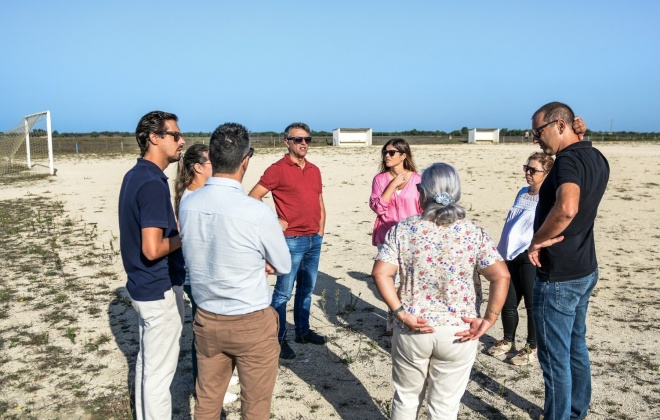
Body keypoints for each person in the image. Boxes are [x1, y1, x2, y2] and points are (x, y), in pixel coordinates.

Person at [372, 163, 510, 419]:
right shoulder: (473, 232)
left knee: (406, 398)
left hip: (413, 326)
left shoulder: (403, 229)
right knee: (444, 406)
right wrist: (489, 319)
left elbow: (381, 273)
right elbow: (501, 275)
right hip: (459, 330)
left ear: (422, 192)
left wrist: (401, 313)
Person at [179, 122, 291, 419]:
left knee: (206, 400)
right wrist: (260, 262)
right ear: (245, 160)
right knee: (255, 405)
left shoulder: (188, 204)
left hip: (206, 317)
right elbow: (283, 264)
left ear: (212, 159)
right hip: (250, 318)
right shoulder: (255, 211)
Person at [529, 102, 609, 420]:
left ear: (560, 126)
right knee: (576, 345)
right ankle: (576, 412)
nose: (535, 138)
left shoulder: (567, 162)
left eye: (539, 131)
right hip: (584, 267)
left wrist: (537, 240)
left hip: (559, 275)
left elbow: (567, 208)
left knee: (555, 359)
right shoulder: (595, 156)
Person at [118, 110, 186, 420]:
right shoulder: (152, 184)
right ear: (154, 138)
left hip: (141, 286)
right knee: (160, 376)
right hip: (157, 288)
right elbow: (152, 248)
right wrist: (185, 238)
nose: (181, 141)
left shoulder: (136, 174)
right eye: (174, 135)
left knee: (148, 364)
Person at [249, 122, 326, 360]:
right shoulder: (277, 169)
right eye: (298, 139)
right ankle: (278, 339)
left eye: (307, 140)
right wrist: (275, 220)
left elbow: (319, 200)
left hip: (314, 239)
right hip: (291, 241)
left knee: (306, 290)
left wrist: (321, 231)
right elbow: (253, 197)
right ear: (287, 142)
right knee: (283, 294)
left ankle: (302, 331)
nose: (303, 143)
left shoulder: (313, 169)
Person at [173, 143, 239, 410]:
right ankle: (208, 387)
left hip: (203, 274)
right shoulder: (193, 199)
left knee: (208, 332)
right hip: (200, 276)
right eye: (213, 163)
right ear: (199, 167)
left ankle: (212, 382)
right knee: (206, 336)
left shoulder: (196, 194)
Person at [487, 152, 554, 365]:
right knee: (509, 302)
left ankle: (531, 347)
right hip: (509, 254)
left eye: (533, 170)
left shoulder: (549, 196)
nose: (528, 173)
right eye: (527, 167)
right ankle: (508, 340)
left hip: (529, 255)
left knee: (532, 305)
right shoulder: (522, 193)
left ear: (547, 173)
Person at [369, 138, 422, 335]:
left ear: (404, 155)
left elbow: (423, 208)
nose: (387, 156)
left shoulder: (418, 180)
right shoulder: (380, 180)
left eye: (392, 152)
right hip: (386, 236)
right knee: (390, 281)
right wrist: (392, 185)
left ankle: (408, 318)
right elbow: (378, 208)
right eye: (385, 152)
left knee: (408, 280)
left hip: (412, 238)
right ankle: (393, 321)